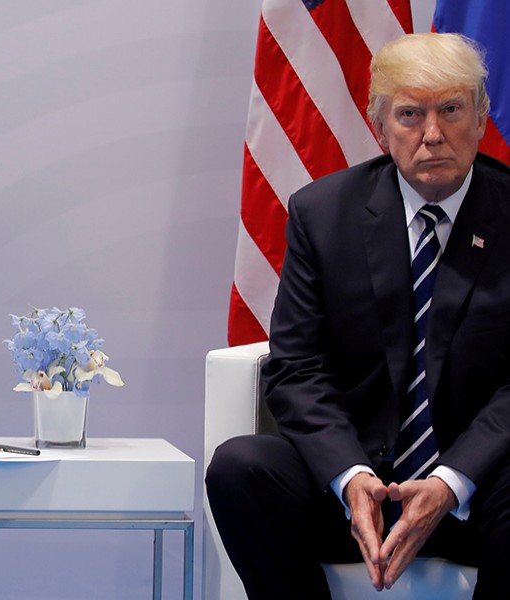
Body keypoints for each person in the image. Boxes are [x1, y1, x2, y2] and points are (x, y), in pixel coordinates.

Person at [206, 32, 510, 599]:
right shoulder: (323, 214)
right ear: (380, 127)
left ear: (481, 115)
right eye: (410, 114)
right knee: (241, 466)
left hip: (479, 493)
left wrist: (449, 481)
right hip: (355, 492)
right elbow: (295, 368)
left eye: (451, 110)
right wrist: (352, 479)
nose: (433, 134)